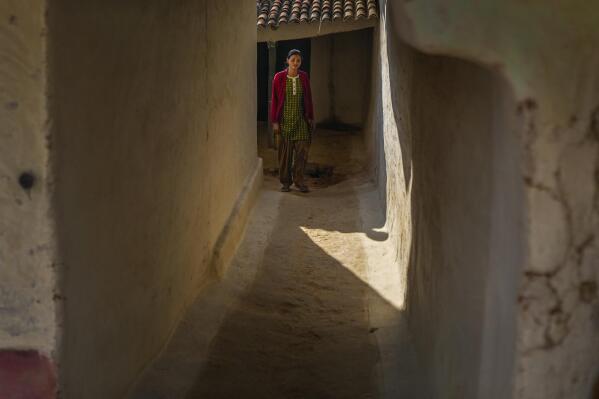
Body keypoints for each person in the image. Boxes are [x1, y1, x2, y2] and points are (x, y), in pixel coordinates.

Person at [271, 49, 315, 193]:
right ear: (287, 60)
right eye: (293, 60)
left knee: (302, 153)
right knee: (285, 154)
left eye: (298, 60)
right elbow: (275, 100)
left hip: (301, 120)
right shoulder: (279, 77)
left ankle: (299, 180)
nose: (296, 63)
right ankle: (285, 182)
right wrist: (275, 122)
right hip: (285, 121)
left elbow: (309, 98)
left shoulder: (304, 77)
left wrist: (310, 118)